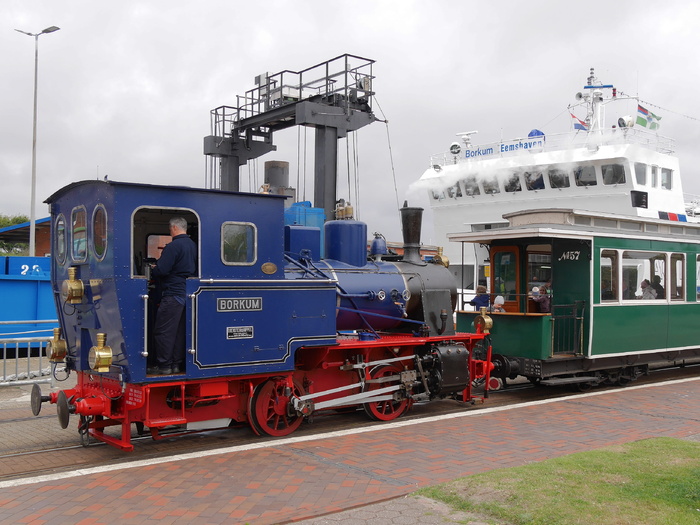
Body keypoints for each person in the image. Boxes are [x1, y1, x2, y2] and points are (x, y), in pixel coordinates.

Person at [148, 217, 197, 375]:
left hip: (172, 293)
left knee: (163, 331)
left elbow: (162, 270)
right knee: (178, 332)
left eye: (170, 229)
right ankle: (176, 364)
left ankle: (164, 366)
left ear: (174, 228)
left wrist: (154, 268)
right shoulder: (193, 245)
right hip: (187, 293)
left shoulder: (173, 246)